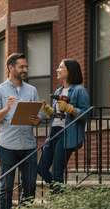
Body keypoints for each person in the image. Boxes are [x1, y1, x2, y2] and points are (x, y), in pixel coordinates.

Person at [0, 53, 42, 209]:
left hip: (28, 145)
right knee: (6, 188)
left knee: (29, 187)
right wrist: (7, 109)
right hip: (7, 146)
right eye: (21, 67)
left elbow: (38, 114)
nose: (25, 70)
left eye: (26, 66)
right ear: (11, 68)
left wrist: (38, 120)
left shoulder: (32, 90)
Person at [38, 59, 90, 193]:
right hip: (53, 132)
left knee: (56, 172)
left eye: (61, 67)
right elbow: (59, 114)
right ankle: (60, 192)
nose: (57, 70)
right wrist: (51, 113)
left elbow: (86, 114)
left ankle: (56, 202)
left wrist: (71, 109)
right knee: (41, 168)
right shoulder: (59, 90)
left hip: (67, 134)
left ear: (70, 70)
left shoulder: (79, 91)